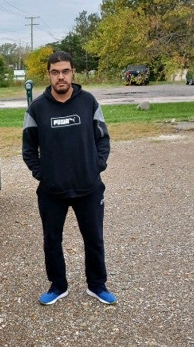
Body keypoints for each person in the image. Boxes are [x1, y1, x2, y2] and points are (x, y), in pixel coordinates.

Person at [22, 51, 117, 306]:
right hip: (52, 191)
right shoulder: (37, 108)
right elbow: (28, 149)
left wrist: (96, 167)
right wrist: (44, 174)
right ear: (49, 75)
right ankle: (58, 286)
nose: (60, 77)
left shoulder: (89, 102)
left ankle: (97, 285)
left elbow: (103, 139)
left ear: (73, 72)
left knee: (94, 239)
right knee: (52, 241)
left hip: (89, 187)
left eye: (65, 71)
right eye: (55, 72)